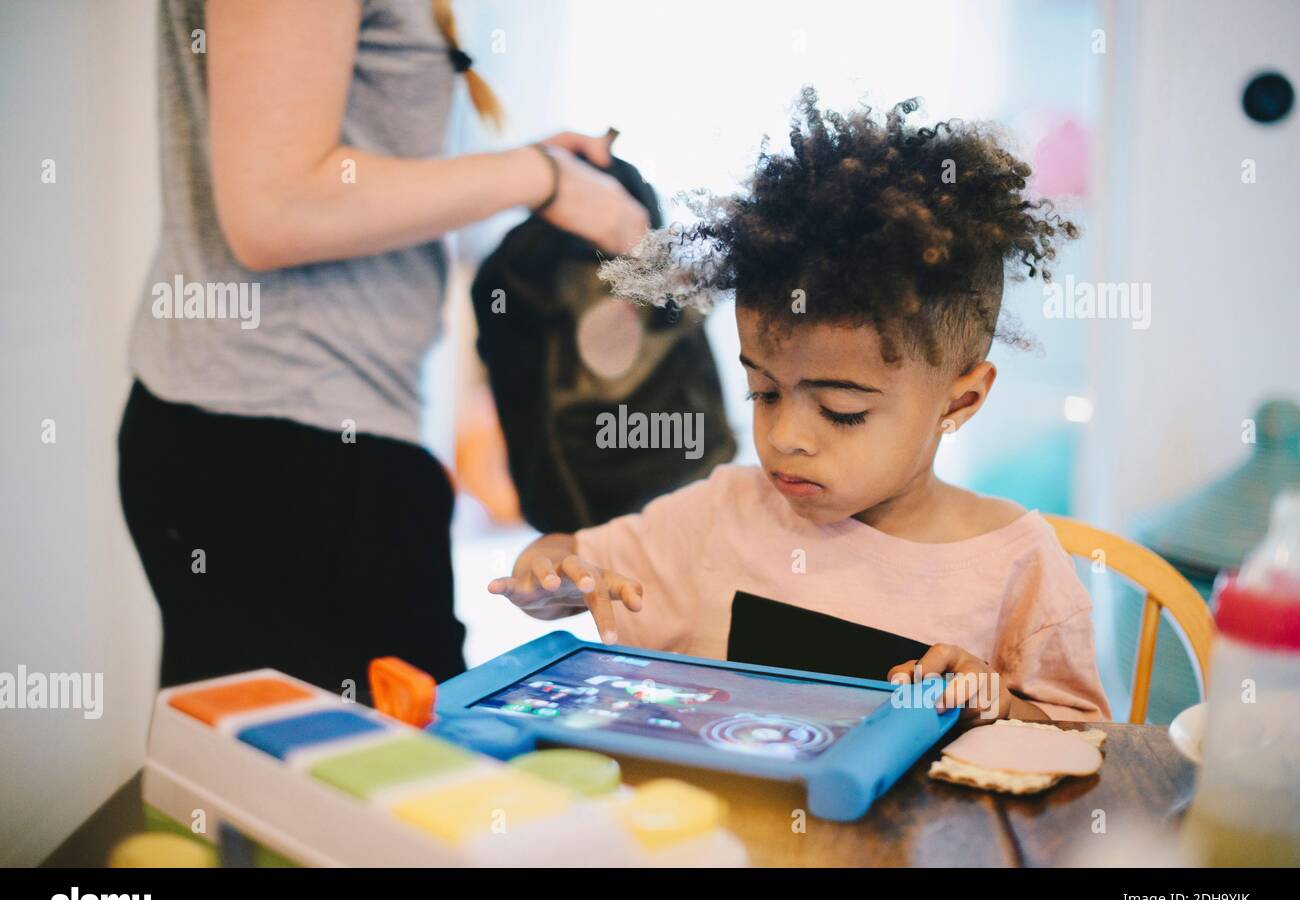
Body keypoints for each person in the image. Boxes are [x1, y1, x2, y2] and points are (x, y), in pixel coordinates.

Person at [488, 88, 1110, 722]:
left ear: (963, 399)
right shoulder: (720, 515)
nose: (785, 435)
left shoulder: (1014, 562)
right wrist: (547, 575)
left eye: (840, 410)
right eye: (764, 392)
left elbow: (1083, 739)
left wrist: (996, 703)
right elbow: (568, 554)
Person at [119, 0, 649, 698]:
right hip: (281, 457)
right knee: (392, 755)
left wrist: (536, 171)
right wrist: (539, 177)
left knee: (302, 752)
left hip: (275, 436)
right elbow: (274, 208)